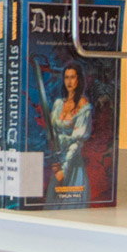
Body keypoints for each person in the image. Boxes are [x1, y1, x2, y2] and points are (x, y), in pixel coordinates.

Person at [47, 63, 93, 202]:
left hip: (71, 164)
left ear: (78, 80)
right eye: (66, 77)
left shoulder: (84, 108)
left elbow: (76, 143)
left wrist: (63, 170)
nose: (69, 81)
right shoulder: (58, 104)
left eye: (72, 77)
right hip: (57, 161)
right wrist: (54, 161)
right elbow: (51, 134)